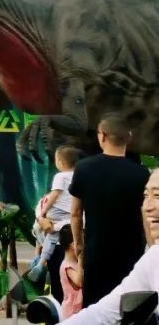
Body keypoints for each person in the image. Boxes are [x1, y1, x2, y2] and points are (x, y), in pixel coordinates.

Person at [70, 114, 151, 306]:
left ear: (103, 136)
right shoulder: (141, 174)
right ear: (128, 138)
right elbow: (147, 215)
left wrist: (78, 245)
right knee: (129, 307)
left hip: (96, 252)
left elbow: (75, 213)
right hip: (131, 254)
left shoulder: (83, 168)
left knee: (96, 308)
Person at [63, 168, 159, 324]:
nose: (148, 207)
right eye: (145, 196)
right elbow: (103, 313)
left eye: (157, 195)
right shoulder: (154, 258)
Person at [29, 145, 82, 283]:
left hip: (58, 217)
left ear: (61, 162)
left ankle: (41, 262)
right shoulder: (79, 177)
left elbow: (55, 195)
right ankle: (40, 261)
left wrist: (43, 213)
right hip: (72, 220)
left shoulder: (60, 177)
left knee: (50, 233)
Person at [59, 225, 84, 318]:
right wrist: (80, 258)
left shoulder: (75, 263)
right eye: (82, 241)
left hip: (78, 310)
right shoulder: (67, 266)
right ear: (74, 245)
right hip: (71, 312)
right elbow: (79, 282)